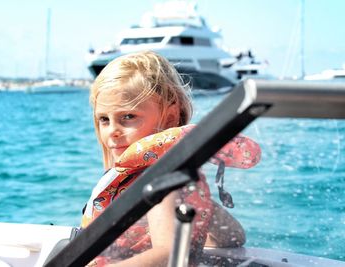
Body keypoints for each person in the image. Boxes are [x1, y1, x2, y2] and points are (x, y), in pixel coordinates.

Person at [83, 50, 260, 266]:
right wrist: (201, 209)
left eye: (128, 117)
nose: (112, 131)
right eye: (104, 119)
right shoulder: (175, 180)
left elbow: (168, 255)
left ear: (170, 118)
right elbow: (234, 237)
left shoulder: (160, 182)